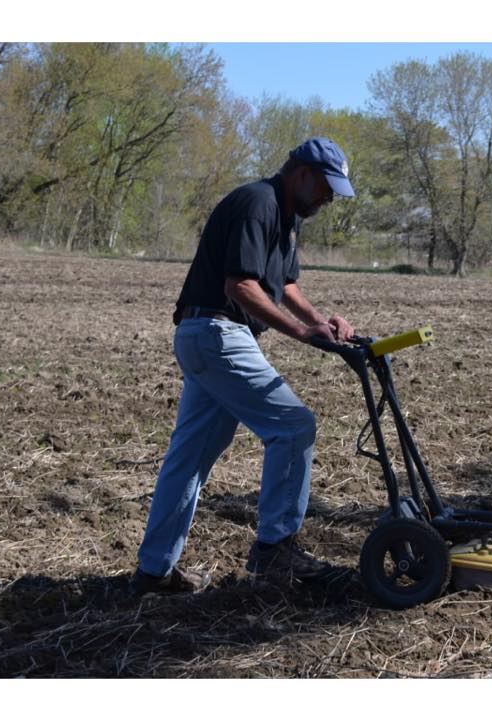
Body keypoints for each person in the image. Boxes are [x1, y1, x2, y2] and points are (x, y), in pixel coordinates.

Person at [131, 137, 356, 594]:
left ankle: (154, 570)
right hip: (217, 332)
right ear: (303, 174)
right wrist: (302, 333)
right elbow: (241, 287)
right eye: (326, 187)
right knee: (293, 427)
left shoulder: (286, 218)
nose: (330, 198)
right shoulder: (259, 204)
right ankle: (276, 549)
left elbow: (283, 286)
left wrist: (320, 321)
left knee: (190, 458)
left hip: (207, 336)